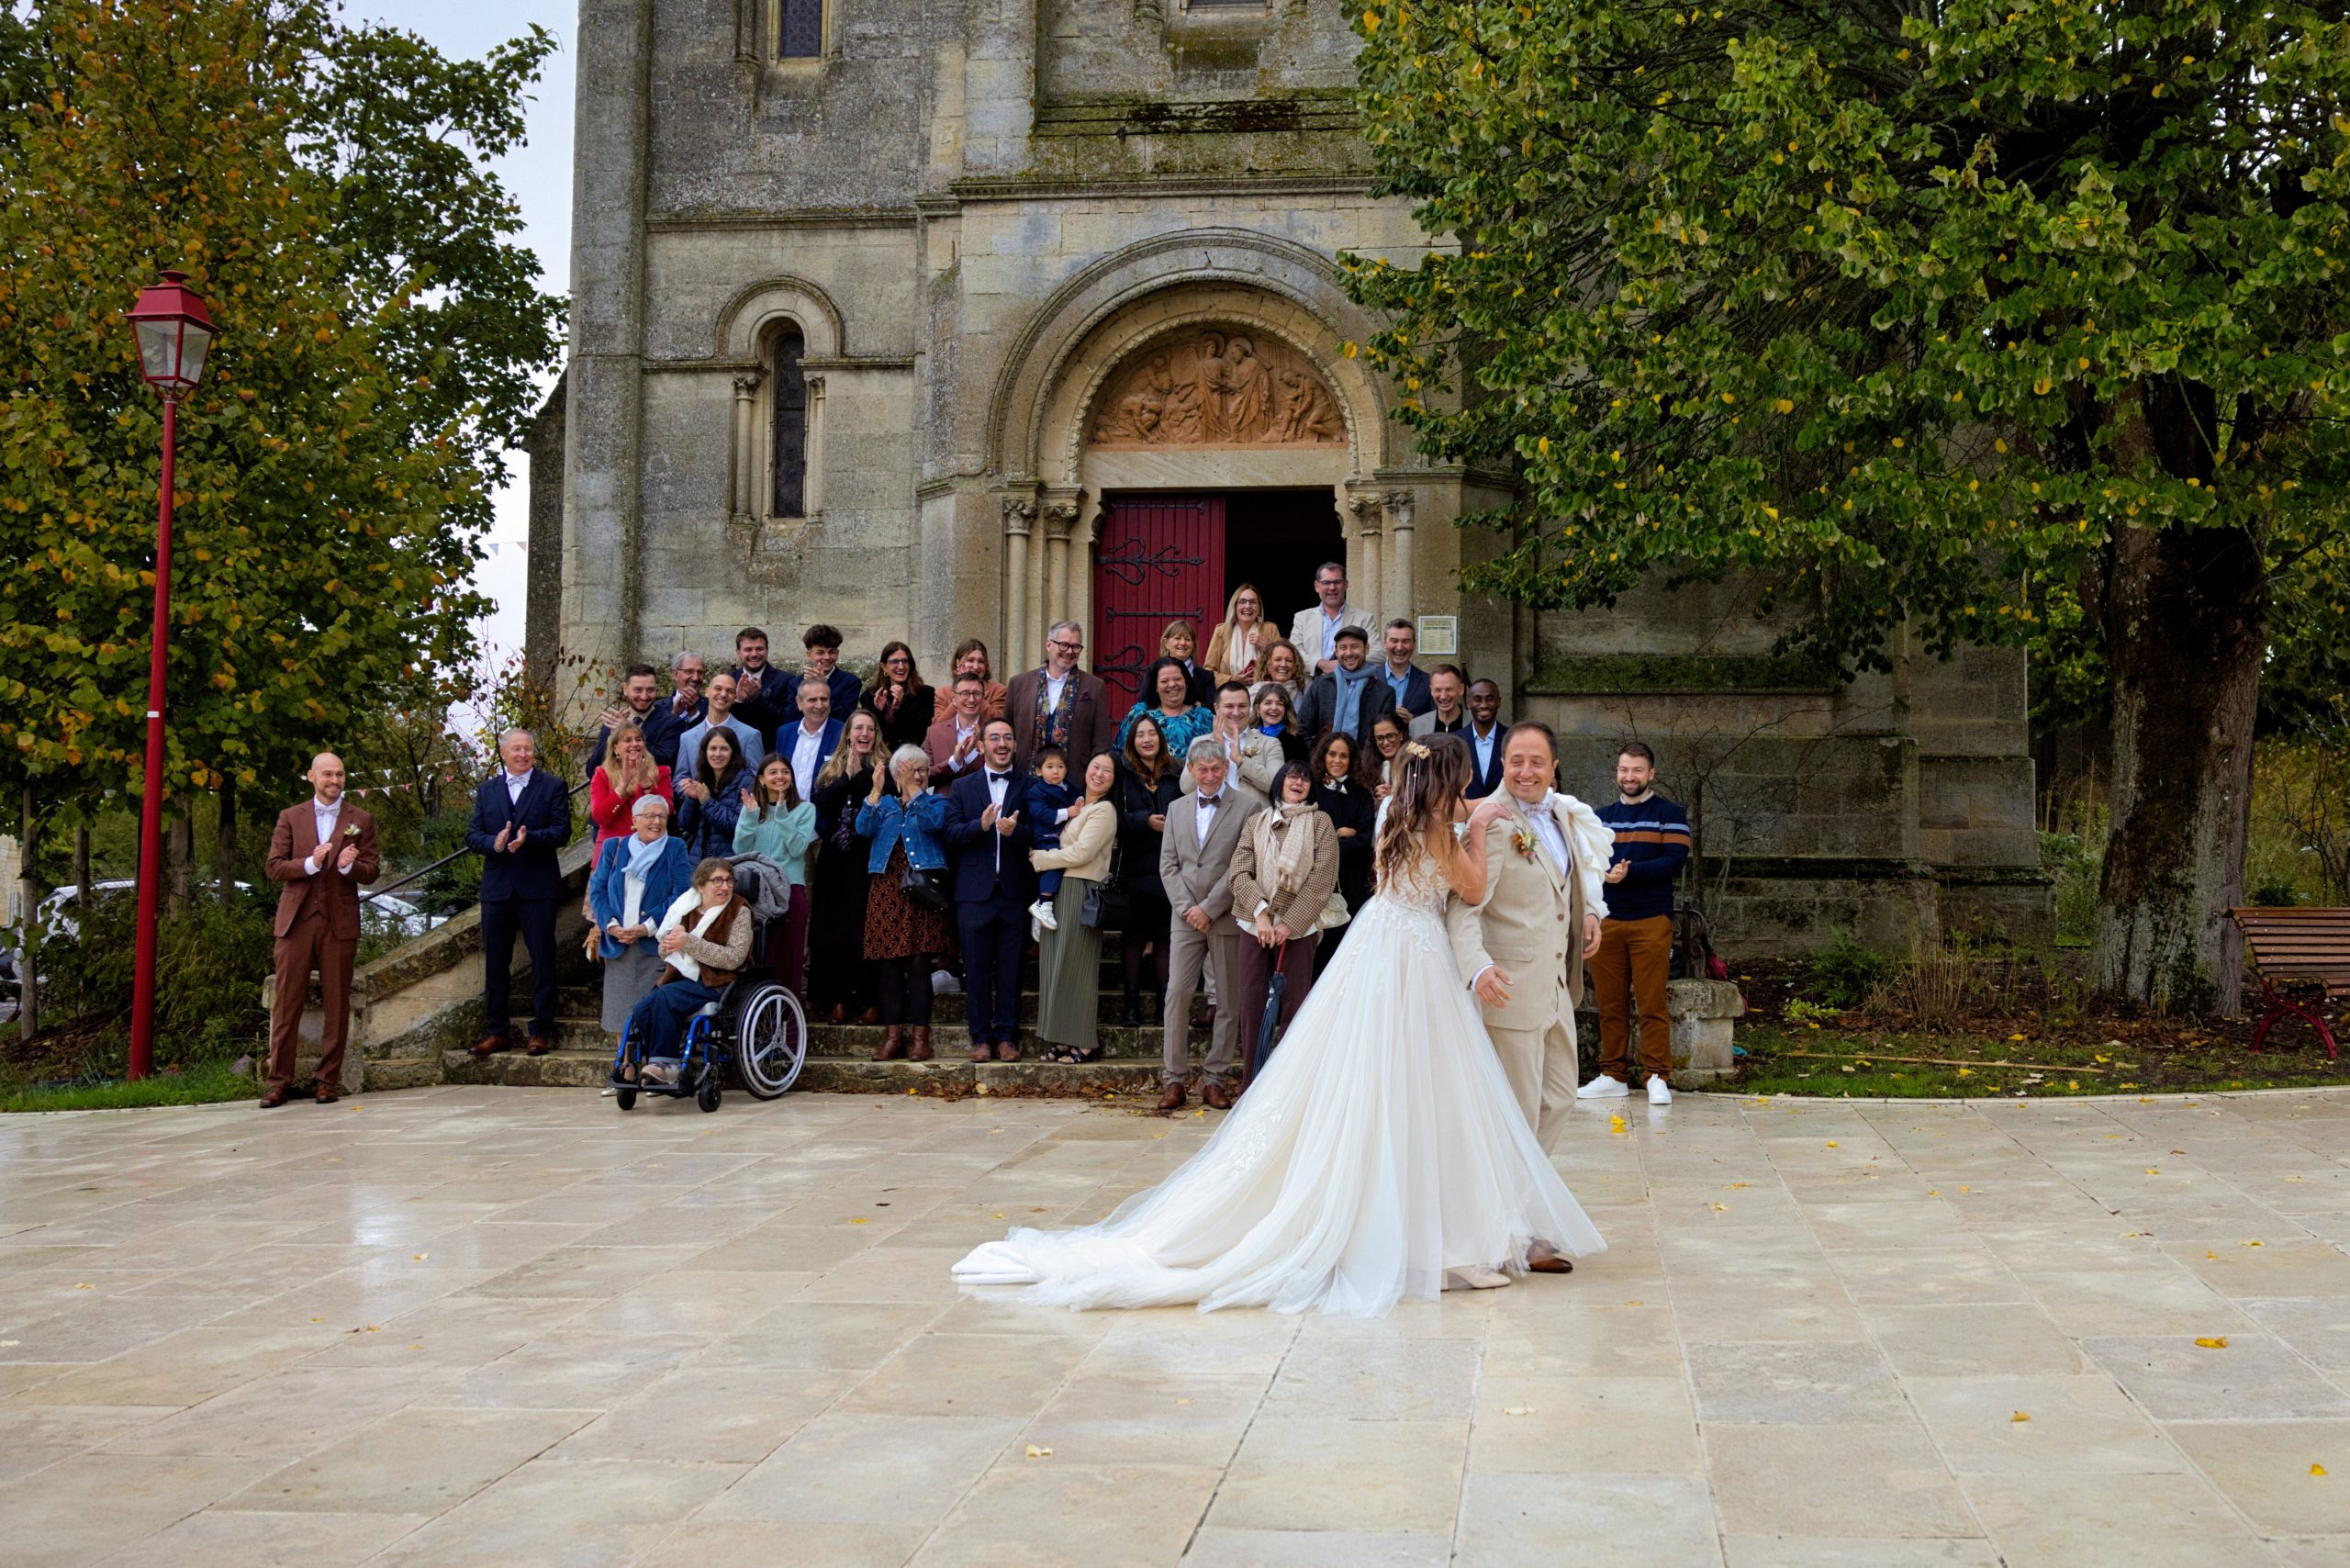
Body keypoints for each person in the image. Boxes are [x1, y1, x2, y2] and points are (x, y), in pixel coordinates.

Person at [951, 734, 1606, 1315]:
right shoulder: (1443, 828)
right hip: (1416, 958)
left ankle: (1425, 1219)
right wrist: (1482, 825)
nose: (1471, 789)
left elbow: (1388, 880)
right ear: (1451, 780)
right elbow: (1467, 889)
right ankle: (1426, 1229)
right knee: (1415, 1083)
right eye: (1464, 779)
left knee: (1374, 1078)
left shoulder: (1392, 819)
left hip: (1383, 945)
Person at [1446, 722, 1616, 1215]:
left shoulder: (1561, 815)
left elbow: (1572, 875)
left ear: (1553, 766)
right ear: (1502, 765)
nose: (1526, 771)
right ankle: (1508, 1218)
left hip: (1557, 986)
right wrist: (1477, 968)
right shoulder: (1494, 822)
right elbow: (1463, 908)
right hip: (1511, 988)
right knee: (1516, 1112)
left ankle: (1514, 1200)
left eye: (1536, 761)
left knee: (1561, 1098)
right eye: (1516, 761)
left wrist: (1587, 914)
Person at [260, 753, 380, 1106]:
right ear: (311, 776)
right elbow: (274, 867)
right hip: (295, 921)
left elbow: (372, 870)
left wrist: (347, 867)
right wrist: (311, 863)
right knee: (287, 1004)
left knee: (337, 1004)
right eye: (328, 773)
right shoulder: (290, 817)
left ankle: (327, 1081)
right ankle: (278, 1081)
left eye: (341, 774)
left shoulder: (361, 819)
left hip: (338, 922)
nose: (335, 780)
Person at [1154, 737, 1266, 1113]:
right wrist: (1188, 908)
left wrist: (1210, 907)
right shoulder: (1176, 808)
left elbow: (1243, 864)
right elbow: (1168, 865)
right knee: (1177, 995)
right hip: (1184, 917)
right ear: (1190, 770)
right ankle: (1174, 1079)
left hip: (1226, 914)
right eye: (1202, 769)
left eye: (1216, 769)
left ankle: (1215, 1078)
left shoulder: (1248, 808)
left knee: (1229, 1001)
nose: (1209, 775)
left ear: (1225, 769)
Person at [1580, 741, 1693, 1105]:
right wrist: (1605, 875)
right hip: (1607, 921)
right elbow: (1586, 861)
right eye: (1624, 770)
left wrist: (1629, 872)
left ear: (1652, 774)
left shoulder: (1670, 814)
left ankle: (1657, 1075)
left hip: (1651, 920)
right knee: (1609, 1005)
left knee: (1651, 1003)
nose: (1630, 777)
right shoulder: (1599, 817)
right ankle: (1612, 1074)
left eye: (1638, 771)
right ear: (1617, 772)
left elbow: (1674, 861)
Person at [1229, 760, 1339, 1083]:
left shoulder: (1321, 823)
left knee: (1295, 1008)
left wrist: (1288, 924)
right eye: (1292, 776)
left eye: (1305, 779)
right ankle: (1251, 1085)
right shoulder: (1256, 823)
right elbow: (1238, 872)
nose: (1298, 782)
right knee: (1251, 1007)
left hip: (1299, 930)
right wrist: (1261, 914)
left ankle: (1286, 1087)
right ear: (1279, 783)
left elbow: (1323, 879)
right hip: (1254, 927)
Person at [466, 728, 573, 1058]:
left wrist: (532, 838)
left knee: (543, 960)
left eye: (528, 749)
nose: (523, 754)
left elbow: (562, 832)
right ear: (503, 753)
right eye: (517, 749)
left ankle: (541, 1030)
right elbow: (473, 836)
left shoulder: (552, 786)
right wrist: (494, 844)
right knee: (496, 963)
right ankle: (496, 1031)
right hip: (497, 888)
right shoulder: (487, 791)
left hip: (537, 887)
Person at [943, 718, 1035, 1061]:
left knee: (1012, 968)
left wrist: (1016, 832)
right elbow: (950, 834)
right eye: (994, 738)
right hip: (973, 892)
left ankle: (1007, 1037)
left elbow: (1041, 835)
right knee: (977, 969)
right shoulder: (964, 787)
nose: (1002, 743)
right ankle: (980, 1037)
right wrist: (978, 826)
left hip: (1014, 891)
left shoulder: (1029, 785)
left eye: (1008, 737)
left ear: (1014, 744)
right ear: (981, 745)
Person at [617, 857, 753, 1081]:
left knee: (665, 998)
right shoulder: (685, 907)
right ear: (701, 886)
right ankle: (651, 1061)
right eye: (717, 881)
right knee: (642, 1009)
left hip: (718, 981)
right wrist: (671, 943)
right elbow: (664, 951)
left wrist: (687, 942)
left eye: (729, 880)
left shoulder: (739, 911)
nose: (725, 886)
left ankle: (666, 1064)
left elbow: (734, 958)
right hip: (682, 978)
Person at [856, 745, 952, 1061]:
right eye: (911, 770)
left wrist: (916, 794)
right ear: (898, 773)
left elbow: (934, 824)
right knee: (889, 966)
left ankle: (920, 1039)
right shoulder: (882, 804)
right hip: (886, 889)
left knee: (919, 965)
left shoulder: (936, 801)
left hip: (921, 890)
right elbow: (863, 829)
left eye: (923, 769)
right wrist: (874, 791)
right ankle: (892, 1037)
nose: (919, 775)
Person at [1034, 750, 1119, 1064]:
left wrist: (1043, 859)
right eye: (1095, 766)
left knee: (1078, 968)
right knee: (1056, 965)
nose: (1099, 773)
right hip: (1060, 889)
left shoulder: (1104, 811)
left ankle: (1083, 1041)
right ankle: (1060, 1038)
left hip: (1081, 888)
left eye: (1107, 771)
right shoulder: (1078, 805)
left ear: (1113, 779)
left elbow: (1081, 852)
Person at [588, 795, 694, 1046]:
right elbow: (597, 891)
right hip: (619, 946)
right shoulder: (614, 847)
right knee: (619, 1016)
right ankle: (624, 1068)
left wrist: (647, 927)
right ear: (635, 821)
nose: (657, 822)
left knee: (652, 1014)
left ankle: (650, 1066)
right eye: (650, 816)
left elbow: (680, 894)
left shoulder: (675, 848)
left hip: (654, 945)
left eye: (662, 816)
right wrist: (611, 926)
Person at [810, 709, 884, 1024]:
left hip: (867, 861)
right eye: (859, 728)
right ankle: (836, 999)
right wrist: (845, 779)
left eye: (870, 728)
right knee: (833, 932)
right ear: (849, 734)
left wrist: (861, 780)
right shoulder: (830, 769)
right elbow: (822, 808)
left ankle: (868, 999)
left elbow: (883, 806)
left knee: (864, 931)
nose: (864, 733)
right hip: (835, 862)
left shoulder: (884, 769)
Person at [1115, 713, 1182, 1026]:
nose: (1146, 739)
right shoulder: (1123, 772)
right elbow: (1112, 815)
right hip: (1135, 866)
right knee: (1133, 936)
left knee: (1165, 937)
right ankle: (1130, 1007)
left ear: (1160, 738)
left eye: (1151, 733)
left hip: (1168, 868)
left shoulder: (1176, 771)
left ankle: (1162, 1007)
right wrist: (1144, 821)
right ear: (1132, 741)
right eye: (1140, 735)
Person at [733, 754, 817, 993]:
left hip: (790, 892)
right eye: (773, 772)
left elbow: (798, 848)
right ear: (761, 779)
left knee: (788, 962)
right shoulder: (751, 809)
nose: (780, 776)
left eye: (785, 772)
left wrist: (782, 814)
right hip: (757, 894)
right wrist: (749, 817)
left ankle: (788, 1024)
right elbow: (741, 850)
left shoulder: (805, 809)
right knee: (758, 958)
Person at [1309, 730, 1376, 973]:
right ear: (1323, 756)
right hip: (1315, 881)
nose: (1337, 760)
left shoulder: (1362, 794)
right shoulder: (1311, 790)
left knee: (1347, 948)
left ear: (1352, 760)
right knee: (1318, 950)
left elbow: (1365, 839)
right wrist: (1340, 834)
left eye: (1344, 756)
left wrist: (1333, 840)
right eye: (1332, 754)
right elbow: (1307, 837)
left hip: (1352, 882)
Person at [1009, 620, 1110, 768]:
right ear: (1049, 645)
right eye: (1064, 645)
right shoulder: (1019, 684)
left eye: (1075, 647)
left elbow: (1101, 740)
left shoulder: (1095, 686)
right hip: (1027, 778)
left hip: (1074, 778)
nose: (1069, 651)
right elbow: (1008, 732)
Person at [1295, 624, 1396, 751]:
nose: (1349, 653)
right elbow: (1302, 728)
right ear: (1336, 652)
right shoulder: (1321, 685)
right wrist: (1317, 760)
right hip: (1322, 766)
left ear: (1366, 649)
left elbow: (1384, 739)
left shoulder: (1384, 693)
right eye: (1343, 648)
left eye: (1354, 647)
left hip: (1364, 767)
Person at [1182, 679, 1281, 795]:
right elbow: (1186, 788)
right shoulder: (1199, 742)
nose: (1236, 712)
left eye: (1242, 706)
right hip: (1212, 811)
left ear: (1250, 707)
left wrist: (1241, 761)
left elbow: (1278, 785)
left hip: (1253, 812)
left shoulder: (1270, 744)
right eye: (1229, 706)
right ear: (1217, 708)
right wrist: (1215, 751)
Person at [588, 722, 673, 850]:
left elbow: (667, 812)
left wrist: (647, 788)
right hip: (613, 851)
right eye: (628, 740)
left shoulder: (661, 773)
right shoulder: (602, 774)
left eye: (638, 739)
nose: (634, 744)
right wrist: (622, 787)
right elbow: (600, 818)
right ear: (615, 748)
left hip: (650, 849)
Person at [1023, 745, 1076, 935]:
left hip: (1064, 835)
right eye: (1050, 767)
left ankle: (1038, 915)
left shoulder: (1069, 786)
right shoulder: (1036, 791)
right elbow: (1041, 814)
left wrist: (1079, 802)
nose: (1056, 771)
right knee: (1054, 865)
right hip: (1045, 837)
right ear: (1038, 771)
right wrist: (1066, 812)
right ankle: (1044, 903)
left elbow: (1078, 796)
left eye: (1060, 766)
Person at [1287, 561, 1373, 675]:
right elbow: (1293, 651)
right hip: (1311, 685)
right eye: (1326, 583)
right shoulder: (1302, 618)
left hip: (1351, 684)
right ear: (1317, 586)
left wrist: (1344, 664)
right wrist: (1321, 664)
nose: (1332, 587)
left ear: (1346, 585)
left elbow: (1377, 653)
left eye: (1337, 582)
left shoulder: (1365, 618)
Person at [675, 727, 747, 861]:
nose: (718, 754)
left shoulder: (746, 781)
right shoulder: (701, 778)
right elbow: (685, 824)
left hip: (730, 860)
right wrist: (691, 799)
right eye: (713, 748)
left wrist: (707, 802)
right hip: (699, 859)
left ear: (733, 752)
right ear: (705, 751)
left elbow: (740, 825)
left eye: (724, 749)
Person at [677, 670, 766, 778]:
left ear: (734, 698)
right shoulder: (687, 737)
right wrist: (692, 792)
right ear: (707, 692)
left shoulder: (750, 735)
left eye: (730, 691)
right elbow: (679, 779)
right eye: (718, 689)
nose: (723, 694)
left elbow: (758, 780)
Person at [1115, 656, 1212, 756]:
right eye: (1164, 681)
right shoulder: (1138, 713)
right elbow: (1119, 752)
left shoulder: (1204, 717)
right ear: (1155, 686)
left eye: (1177, 679)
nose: (1172, 684)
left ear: (1186, 682)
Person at [584, 664, 662, 779]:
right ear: (625, 689)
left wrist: (628, 729)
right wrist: (612, 737)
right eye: (638, 690)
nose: (644, 696)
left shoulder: (672, 722)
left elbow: (664, 761)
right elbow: (592, 771)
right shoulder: (613, 723)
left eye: (650, 690)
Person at [778, 622, 864, 722]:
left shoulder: (850, 682)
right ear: (809, 654)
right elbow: (790, 718)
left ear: (837, 653)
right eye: (820, 652)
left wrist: (823, 685)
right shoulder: (795, 683)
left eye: (832, 652)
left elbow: (844, 717)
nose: (827, 657)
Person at [641, 650, 709, 771]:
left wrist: (693, 713)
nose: (695, 677)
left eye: (700, 672)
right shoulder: (656, 707)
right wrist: (674, 716)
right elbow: (651, 744)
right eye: (689, 671)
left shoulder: (711, 706)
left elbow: (708, 741)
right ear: (675, 674)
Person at [924, 671, 991, 790]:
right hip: (945, 806)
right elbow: (924, 776)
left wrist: (972, 757)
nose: (971, 699)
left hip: (985, 805)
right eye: (965, 693)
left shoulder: (993, 731)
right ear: (954, 698)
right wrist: (954, 761)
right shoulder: (934, 733)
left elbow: (1001, 771)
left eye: (976, 694)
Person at [867, 640, 936, 752]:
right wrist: (878, 711)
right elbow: (870, 733)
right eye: (894, 662)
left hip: (913, 753)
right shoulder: (870, 695)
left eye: (905, 661)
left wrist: (900, 707)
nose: (901, 666)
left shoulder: (926, 693)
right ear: (884, 667)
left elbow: (923, 732)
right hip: (880, 756)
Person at [725, 626, 789, 747]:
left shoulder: (785, 680)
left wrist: (758, 699)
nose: (754, 654)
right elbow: (721, 718)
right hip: (733, 749)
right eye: (748, 649)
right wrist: (738, 701)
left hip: (769, 751)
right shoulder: (729, 679)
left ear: (767, 651)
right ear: (738, 652)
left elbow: (784, 721)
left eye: (759, 649)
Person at [780, 678, 843, 798]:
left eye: (824, 699)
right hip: (786, 811)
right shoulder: (785, 733)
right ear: (799, 703)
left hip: (822, 813)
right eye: (812, 700)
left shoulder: (842, 733)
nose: (819, 705)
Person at [1204, 583, 1270, 686]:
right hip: (1230, 696)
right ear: (1235, 607)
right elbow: (1208, 672)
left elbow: (1282, 667)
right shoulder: (1221, 631)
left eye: (1253, 602)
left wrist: (1268, 648)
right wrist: (1230, 680)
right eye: (1242, 602)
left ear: (1259, 608)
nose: (1247, 606)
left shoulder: (1270, 630)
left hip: (1262, 697)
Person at [1377, 620, 1433, 721]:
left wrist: (1413, 720)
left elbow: (1436, 719)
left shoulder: (1428, 681)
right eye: (1394, 641)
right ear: (1384, 644)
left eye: (1405, 641)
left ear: (1414, 645)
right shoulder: (1370, 678)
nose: (1399, 647)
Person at [1462, 678, 1507, 799]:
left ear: (1499, 702)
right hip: (1465, 815)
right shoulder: (1455, 741)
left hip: (1506, 813)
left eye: (1490, 699)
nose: (1484, 705)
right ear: (1468, 703)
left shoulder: (1513, 739)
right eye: (1477, 699)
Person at [950, 637, 1010, 722]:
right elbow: (937, 727)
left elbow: (999, 721)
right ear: (958, 663)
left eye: (981, 661)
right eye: (970, 660)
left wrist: (976, 692)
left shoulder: (999, 691)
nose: (976, 666)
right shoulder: (943, 693)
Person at [1252, 682, 1308, 768]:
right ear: (1258, 709)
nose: (1274, 708)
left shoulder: (1294, 740)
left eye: (1280, 704)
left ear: (1286, 710)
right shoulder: (1250, 735)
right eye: (1268, 703)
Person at [1160, 620, 1214, 707]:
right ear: (1166, 643)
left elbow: (1212, 710)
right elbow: (1143, 705)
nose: (1183, 643)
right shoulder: (1154, 673)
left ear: (1193, 645)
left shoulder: (1206, 677)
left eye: (1187, 639)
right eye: (1177, 638)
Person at [1408, 666, 1470, 739]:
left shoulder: (1475, 723)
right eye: (1438, 690)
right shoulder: (1417, 725)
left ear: (1461, 689)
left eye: (1449, 689)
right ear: (1431, 690)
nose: (1443, 696)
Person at [1368, 711, 1409, 800]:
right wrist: (1374, 798)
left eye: (1391, 736)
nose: (1385, 742)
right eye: (1379, 738)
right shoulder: (1366, 768)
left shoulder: (1413, 764)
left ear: (1401, 735)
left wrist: (1392, 797)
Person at [1258, 639, 1307, 708]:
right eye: (1278, 659)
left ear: (1295, 665)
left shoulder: (1306, 694)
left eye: (1289, 660)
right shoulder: (1255, 693)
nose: (1283, 665)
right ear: (1268, 665)